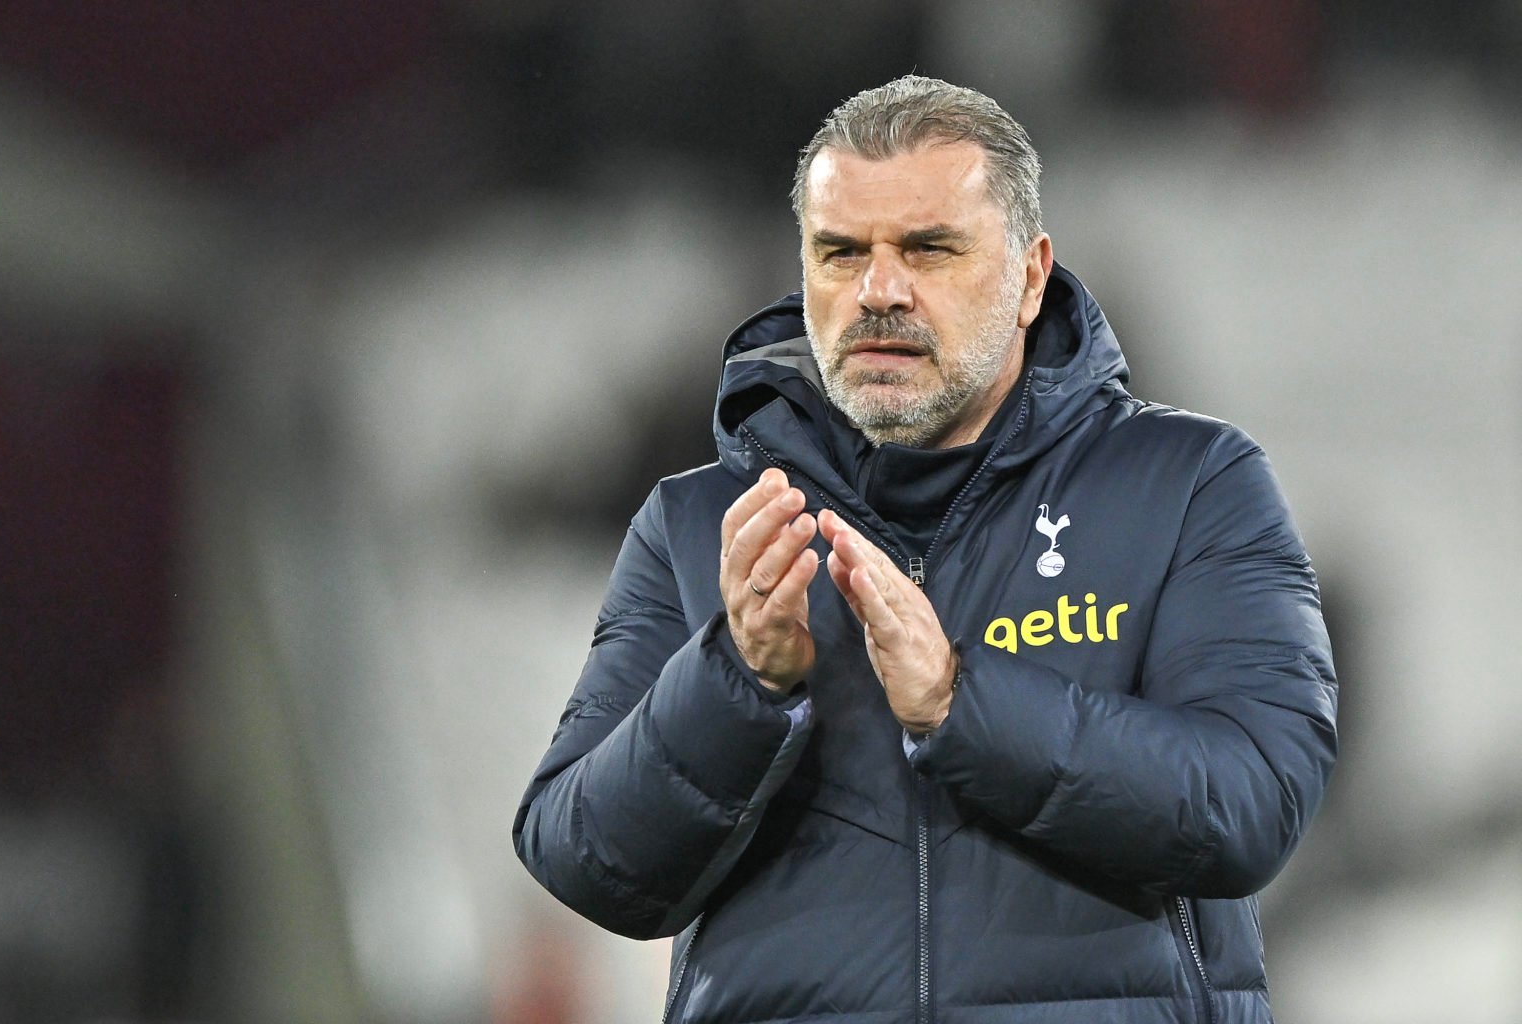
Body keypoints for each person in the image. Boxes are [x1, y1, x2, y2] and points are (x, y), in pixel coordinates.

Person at [513, 75, 1337, 1024]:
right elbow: (584, 859)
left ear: (1031, 275)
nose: (878, 291)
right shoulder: (701, 525)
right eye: (840, 252)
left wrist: (960, 702)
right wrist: (737, 685)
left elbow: (1254, 801)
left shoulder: (1189, 485)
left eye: (929, 249)